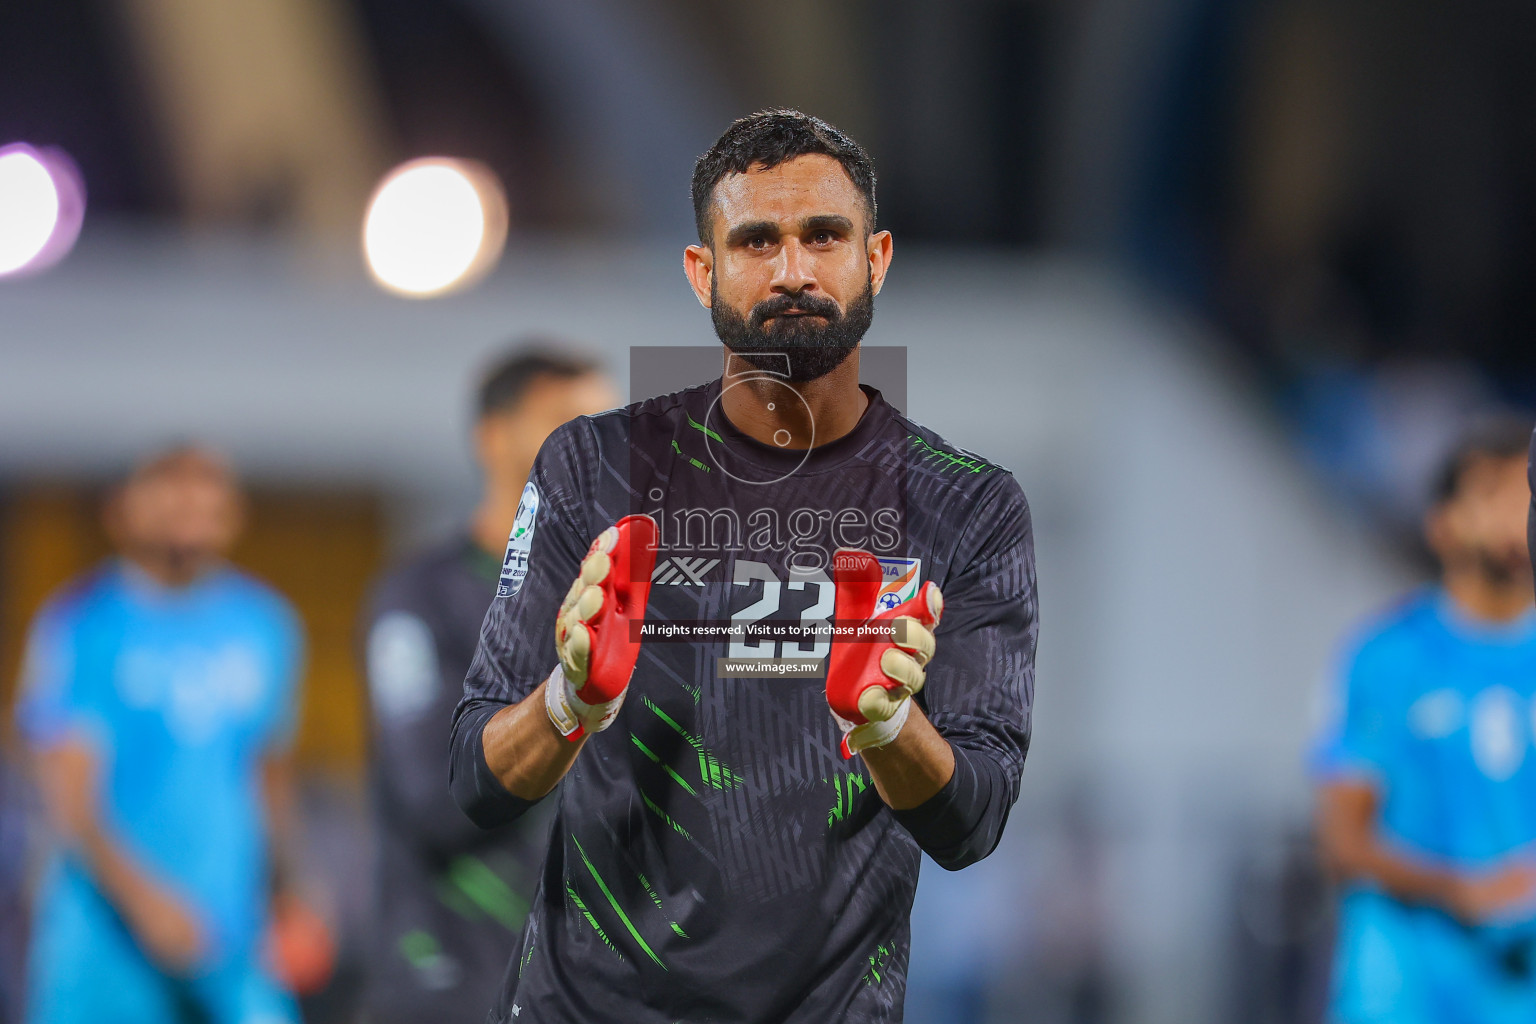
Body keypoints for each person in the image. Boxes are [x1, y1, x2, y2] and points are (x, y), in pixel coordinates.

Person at [449, 109, 1038, 1023]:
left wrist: (887, 730)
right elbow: (476, 781)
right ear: (703, 271)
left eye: (824, 236)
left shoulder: (967, 504)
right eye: (756, 240)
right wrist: (570, 703)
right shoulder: (591, 466)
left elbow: (975, 819)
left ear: (876, 258)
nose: (793, 271)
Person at [362, 346, 617, 1023]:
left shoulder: (632, 606)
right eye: (566, 422)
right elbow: (439, 796)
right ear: (493, 438)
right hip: (451, 980)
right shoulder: (421, 597)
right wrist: (569, 692)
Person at [14, 446, 305, 1024]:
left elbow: (266, 771)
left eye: (207, 493)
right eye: (171, 491)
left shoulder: (265, 624)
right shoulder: (83, 624)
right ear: (122, 511)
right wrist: (147, 907)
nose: (191, 507)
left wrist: (286, 891)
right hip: (107, 942)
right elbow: (70, 802)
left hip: (226, 935)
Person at [1314, 416, 1536, 1024]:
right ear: (1443, 526)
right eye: (1494, 494)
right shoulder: (1389, 657)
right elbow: (1342, 840)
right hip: (1406, 989)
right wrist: (1462, 889)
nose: (1516, 512)